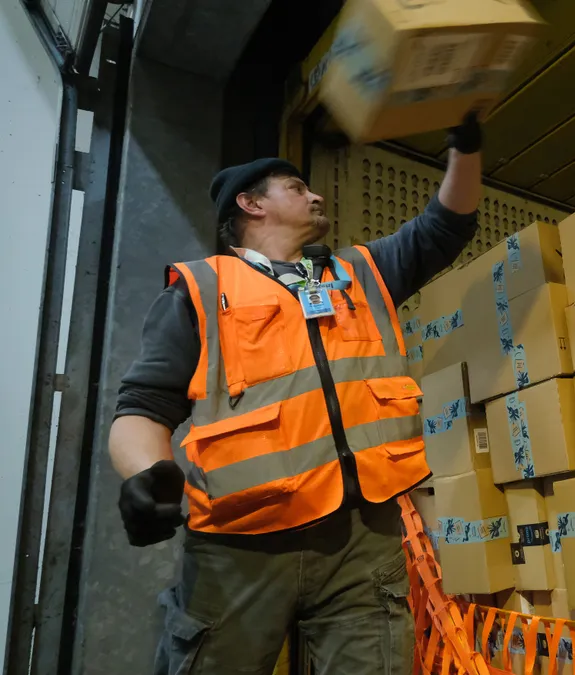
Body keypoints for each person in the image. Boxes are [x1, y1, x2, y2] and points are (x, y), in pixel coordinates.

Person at [108, 113, 484, 674]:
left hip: (362, 536)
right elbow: (144, 405)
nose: (315, 196)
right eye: (296, 187)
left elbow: (443, 228)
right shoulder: (201, 289)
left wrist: (466, 155)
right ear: (251, 205)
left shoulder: (357, 273)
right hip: (242, 547)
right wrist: (145, 475)